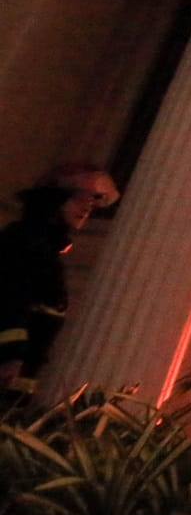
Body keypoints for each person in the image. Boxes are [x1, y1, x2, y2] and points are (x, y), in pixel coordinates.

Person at [0, 164, 119, 403]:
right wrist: (10, 356)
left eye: (93, 201)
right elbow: (11, 300)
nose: (87, 207)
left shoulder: (45, 250)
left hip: (20, 375)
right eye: (80, 198)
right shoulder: (25, 241)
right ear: (54, 200)